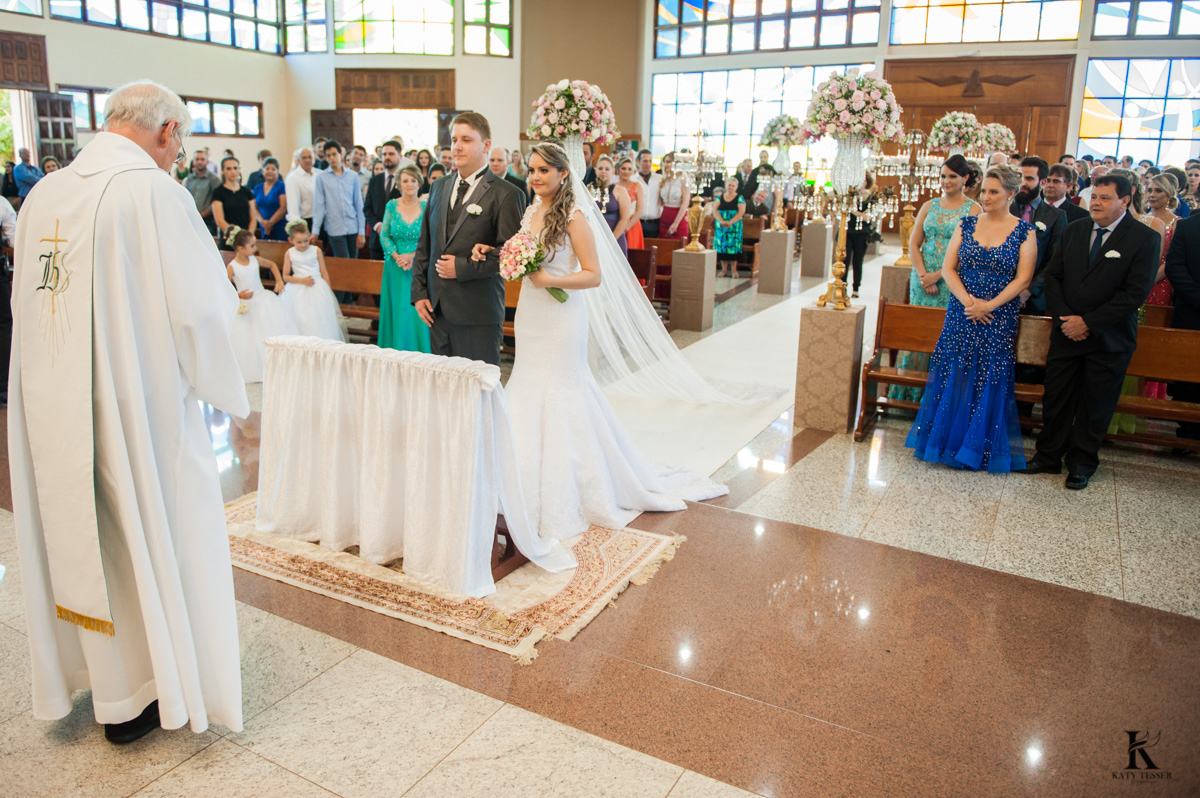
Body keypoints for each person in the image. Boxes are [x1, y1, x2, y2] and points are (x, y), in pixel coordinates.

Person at [9, 79, 248, 745]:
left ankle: (103, 681)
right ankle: (149, 687)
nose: (179, 156)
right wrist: (226, 384)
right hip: (134, 409)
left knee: (88, 539)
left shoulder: (43, 195)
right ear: (168, 132)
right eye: (182, 143)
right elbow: (203, 310)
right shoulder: (152, 193)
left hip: (54, 398)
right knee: (143, 533)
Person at [471, 142, 728, 541]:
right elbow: (522, 251)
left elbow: (593, 274)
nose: (535, 177)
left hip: (562, 317)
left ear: (562, 173)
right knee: (526, 386)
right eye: (532, 170)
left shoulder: (575, 217)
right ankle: (518, 480)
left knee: (562, 390)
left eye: (543, 171)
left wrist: (550, 279)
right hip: (532, 315)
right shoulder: (532, 210)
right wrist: (500, 252)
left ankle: (570, 483)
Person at [1020, 174, 1161, 490]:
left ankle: (1081, 463)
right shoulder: (1075, 229)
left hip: (1108, 339)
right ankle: (1047, 457)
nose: (1096, 202)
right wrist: (1067, 318)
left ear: (1125, 200)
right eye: (1094, 196)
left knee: (1095, 403)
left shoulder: (1144, 238)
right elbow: (1054, 276)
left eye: (1105, 198)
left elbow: (1135, 293)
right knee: (1057, 397)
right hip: (1067, 332)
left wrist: (1089, 322)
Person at [906, 165, 1037, 472]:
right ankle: (943, 442)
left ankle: (978, 447)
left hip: (998, 314)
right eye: (984, 191)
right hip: (962, 312)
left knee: (988, 373)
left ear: (1010, 194)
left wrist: (988, 305)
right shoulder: (966, 225)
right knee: (955, 370)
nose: (986, 197)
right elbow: (950, 267)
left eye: (994, 192)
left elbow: (1023, 279)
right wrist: (968, 303)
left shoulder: (1025, 232)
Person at [411, 111, 526, 366]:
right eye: (454, 140)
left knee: (477, 391)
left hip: (478, 313)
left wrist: (461, 267)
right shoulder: (439, 186)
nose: (457, 147)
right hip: (436, 310)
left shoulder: (507, 194)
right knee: (443, 386)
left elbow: (511, 257)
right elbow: (424, 244)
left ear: (486, 145)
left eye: (466, 139)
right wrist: (419, 293)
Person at [890, 155, 982, 402]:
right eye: (943, 176)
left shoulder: (974, 209)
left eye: (952, 176)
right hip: (921, 282)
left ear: (965, 178)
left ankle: (937, 400)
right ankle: (908, 395)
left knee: (943, 336)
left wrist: (938, 276)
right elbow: (913, 244)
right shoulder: (928, 205)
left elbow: (968, 251)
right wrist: (923, 276)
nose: (946, 181)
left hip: (951, 282)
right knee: (916, 334)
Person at [226, 227, 298, 382]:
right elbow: (224, 287)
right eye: (252, 246)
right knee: (248, 337)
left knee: (270, 330)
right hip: (246, 305)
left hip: (263, 299)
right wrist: (239, 295)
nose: (255, 248)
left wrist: (279, 281)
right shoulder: (233, 266)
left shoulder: (255, 260)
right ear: (240, 248)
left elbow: (272, 265)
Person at [377, 164, 431, 353]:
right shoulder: (392, 205)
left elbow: (430, 238)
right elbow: (384, 235)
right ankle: (395, 351)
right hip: (395, 267)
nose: (409, 184)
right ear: (399, 184)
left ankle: (419, 351)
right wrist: (397, 256)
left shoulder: (426, 207)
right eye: (405, 181)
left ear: (419, 183)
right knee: (398, 309)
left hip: (418, 266)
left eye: (413, 180)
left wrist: (413, 256)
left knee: (415, 311)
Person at [1011, 156, 1066, 314]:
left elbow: (1055, 259)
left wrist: (1028, 290)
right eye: (1020, 177)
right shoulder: (1006, 210)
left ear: (1043, 182)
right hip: (999, 292)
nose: (1023, 183)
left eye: (1029, 178)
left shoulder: (1056, 216)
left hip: (1034, 298)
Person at [1164, 214, 1200, 447]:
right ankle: (1188, 432)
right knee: (1190, 377)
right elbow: (1174, 267)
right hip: (1192, 312)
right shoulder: (1187, 226)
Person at [280, 219, 345, 341]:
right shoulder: (290, 253)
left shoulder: (316, 250)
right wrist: (301, 280)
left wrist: (329, 293)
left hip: (317, 287)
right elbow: (285, 276)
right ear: (291, 240)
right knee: (301, 317)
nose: (303, 245)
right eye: (299, 242)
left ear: (310, 237)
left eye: (306, 241)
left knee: (319, 317)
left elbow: (324, 272)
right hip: (297, 289)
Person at [311, 139, 365, 259]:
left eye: (334, 154)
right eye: (328, 155)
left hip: (352, 226)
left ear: (341, 154)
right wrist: (315, 231)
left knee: (354, 263)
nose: (332, 158)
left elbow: (358, 204)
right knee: (344, 262)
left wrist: (361, 231)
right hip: (335, 228)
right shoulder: (322, 178)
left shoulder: (352, 176)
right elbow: (319, 206)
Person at [364, 139, 404, 260]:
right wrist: (378, 225)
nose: (387, 157)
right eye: (384, 154)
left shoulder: (406, 180)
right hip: (377, 241)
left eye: (391, 154)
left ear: (400, 156)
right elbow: (367, 209)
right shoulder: (374, 180)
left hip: (398, 241)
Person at [211, 156, 261, 249]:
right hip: (228, 240)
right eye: (228, 169)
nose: (233, 171)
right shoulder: (218, 192)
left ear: (239, 169)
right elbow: (220, 221)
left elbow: (253, 218)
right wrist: (238, 237)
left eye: (235, 168)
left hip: (246, 242)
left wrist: (247, 237)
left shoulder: (246, 191)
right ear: (223, 171)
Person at [846, 172, 879, 299]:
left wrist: (854, 212)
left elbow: (867, 218)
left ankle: (855, 288)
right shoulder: (850, 196)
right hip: (848, 231)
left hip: (862, 233)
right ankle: (842, 285)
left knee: (858, 261)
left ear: (867, 182)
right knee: (845, 259)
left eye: (863, 180)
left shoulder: (870, 198)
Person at [593, 155, 632, 256]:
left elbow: (624, 219)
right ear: (596, 171)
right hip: (596, 237)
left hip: (615, 238)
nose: (603, 171)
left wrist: (611, 241)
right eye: (600, 168)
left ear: (613, 171)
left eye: (607, 169)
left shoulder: (620, 191)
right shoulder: (591, 190)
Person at [711, 176, 746, 278]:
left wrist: (731, 222)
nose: (731, 187)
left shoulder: (739, 198)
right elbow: (715, 210)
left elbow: (741, 212)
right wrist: (721, 220)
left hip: (734, 227)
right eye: (729, 185)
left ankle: (734, 270)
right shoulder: (720, 197)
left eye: (733, 186)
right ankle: (724, 269)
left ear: (736, 187)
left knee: (733, 248)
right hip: (721, 226)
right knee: (722, 248)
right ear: (726, 186)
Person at [183, 149, 222, 234]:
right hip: (190, 219)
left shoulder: (214, 179)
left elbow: (215, 202)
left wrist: (200, 215)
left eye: (202, 159)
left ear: (207, 161)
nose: (199, 162)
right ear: (193, 161)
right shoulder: (188, 179)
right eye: (197, 159)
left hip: (208, 222)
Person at [252, 156, 288, 241]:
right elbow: (254, 208)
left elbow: (283, 208)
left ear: (277, 171)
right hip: (262, 226)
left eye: (273, 169)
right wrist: (262, 222)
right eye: (267, 168)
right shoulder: (257, 188)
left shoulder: (281, 186)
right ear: (262, 171)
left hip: (279, 226)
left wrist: (270, 224)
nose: (270, 171)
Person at [658, 151, 691, 241]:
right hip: (664, 216)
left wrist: (676, 223)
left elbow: (685, 202)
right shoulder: (664, 178)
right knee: (664, 248)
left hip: (678, 216)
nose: (666, 164)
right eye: (664, 162)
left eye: (668, 162)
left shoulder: (683, 178)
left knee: (678, 247)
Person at [284, 147, 317, 231]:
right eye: (304, 157)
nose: (307, 160)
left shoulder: (318, 174)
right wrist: (299, 228)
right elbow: (293, 207)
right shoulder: (293, 178)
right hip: (306, 220)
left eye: (310, 157)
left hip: (319, 220)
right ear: (298, 160)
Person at [615, 157, 644, 251]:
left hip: (633, 225)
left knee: (632, 254)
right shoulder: (614, 186)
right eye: (623, 168)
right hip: (617, 224)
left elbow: (640, 211)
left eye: (629, 169)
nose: (626, 171)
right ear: (618, 169)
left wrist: (627, 226)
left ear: (632, 171)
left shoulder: (637, 186)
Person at [635, 149, 663, 238]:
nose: (648, 164)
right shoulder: (632, 179)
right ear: (638, 162)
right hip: (637, 222)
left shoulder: (659, 179)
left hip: (654, 223)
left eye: (650, 161)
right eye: (644, 161)